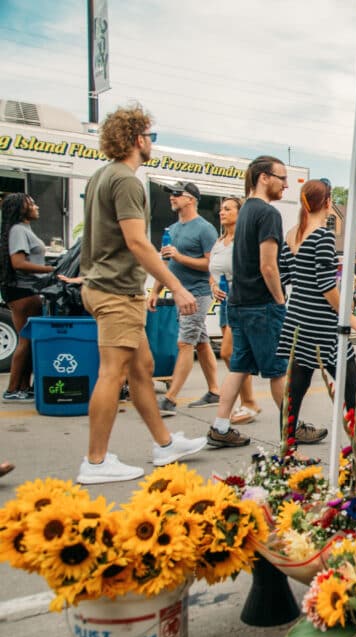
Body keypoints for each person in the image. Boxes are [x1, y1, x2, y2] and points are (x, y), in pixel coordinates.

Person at [77, 104, 206, 484]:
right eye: (151, 136)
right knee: (112, 374)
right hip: (116, 290)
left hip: (105, 286)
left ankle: (164, 444)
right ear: (137, 139)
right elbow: (137, 242)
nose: (152, 142)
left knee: (142, 370)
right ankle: (96, 463)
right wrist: (177, 286)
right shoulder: (127, 181)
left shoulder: (103, 175)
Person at [276, 179, 356, 444]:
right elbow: (327, 286)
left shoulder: (291, 235)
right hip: (323, 324)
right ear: (327, 202)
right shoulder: (322, 236)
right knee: (350, 383)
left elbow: (286, 277)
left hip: (297, 319)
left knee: (295, 387)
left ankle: (287, 441)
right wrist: (350, 318)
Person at [206, 155, 290, 449]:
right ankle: (291, 428)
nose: (286, 185)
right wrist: (280, 300)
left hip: (238, 304)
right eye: (282, 178)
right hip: (261, 304)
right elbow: (269, 266)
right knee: (278, 370)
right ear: (264, 177)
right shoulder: (268, 214)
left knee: (239, 367)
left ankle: (220, 426)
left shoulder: (245, 214)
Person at [148, 181, 220, 416]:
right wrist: (155, 291)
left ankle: (169, 399)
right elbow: (165, 263)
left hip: (197, 294)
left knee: (185, 343)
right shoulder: (172, 230)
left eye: (177, 194)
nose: (172, 197)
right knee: (201, 342)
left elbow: (210, 263)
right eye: (171, 194)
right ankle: (214, 391)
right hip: (180, 294)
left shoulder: (205, 229)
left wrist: (180, 257)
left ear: (191, 199)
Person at [209, 197, 261, 425]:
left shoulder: (244, 240)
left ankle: (249, 402)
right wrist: (212, 285)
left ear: (240, 214)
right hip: (224, 301)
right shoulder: (220, 241)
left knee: (229, 353)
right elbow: (212, 269)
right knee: (237, 354)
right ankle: (247, 403)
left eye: (228, 209)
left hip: (241, 298)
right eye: (221, 209)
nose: (222, 212)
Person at [0, 193, 54, 402]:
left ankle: (24, 387)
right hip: (22, 290)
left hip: (25, 289)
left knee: (30, 339)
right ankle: (13, 388)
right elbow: (19, 263)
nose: (36, 206)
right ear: (21, 209)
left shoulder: (22, 229)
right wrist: (50, 269)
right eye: (31, 203)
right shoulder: (18, 230)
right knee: (26, 338)